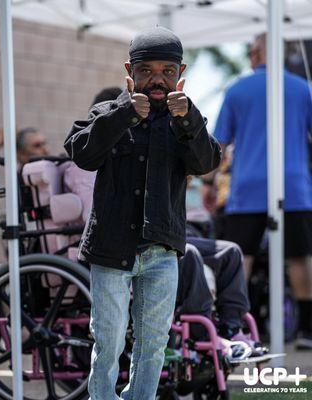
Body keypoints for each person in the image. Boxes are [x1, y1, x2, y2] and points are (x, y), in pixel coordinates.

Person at [64, 26, 221, 400]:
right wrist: (122, 113)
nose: (157, 79)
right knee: (109, 343)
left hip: (161, 250)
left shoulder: (185, 121)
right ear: (129, 71)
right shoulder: (107, 111)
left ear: (180, 73)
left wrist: (190, 119)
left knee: (152, 346)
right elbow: (80, 151)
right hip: (110, 249)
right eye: (147, 70)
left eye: (167, 71)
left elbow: (207, 161)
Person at [212, 33, 312, 349]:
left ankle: (240, 325)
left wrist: (206, 182)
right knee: (299, 258)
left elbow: (219, 143)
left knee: (242, 257)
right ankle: (308, 330)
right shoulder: (301, 89)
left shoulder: (238, 89)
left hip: (248, 184)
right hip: (293, 185)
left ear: (256, 54)